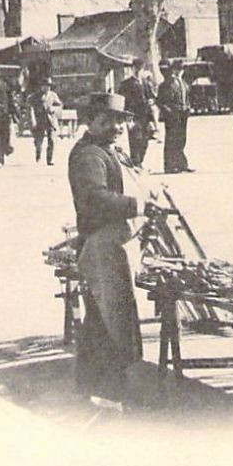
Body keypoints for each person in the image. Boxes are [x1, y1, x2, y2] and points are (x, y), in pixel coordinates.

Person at [68, 92, 153, 405]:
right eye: (108, 120)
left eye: (120, 120)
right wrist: (138, 205)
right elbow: (95, 199)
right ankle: (109, 389)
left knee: (103, 318)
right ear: (90, 121)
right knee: (109, 317)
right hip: (100, 243)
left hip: (111, 242)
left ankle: (96, 386)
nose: (117, 126)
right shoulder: (90, 155)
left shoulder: (106, 150)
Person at [156, 60, 194, 174]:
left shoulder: (183, 83)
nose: (178, 72)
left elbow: (186, 97)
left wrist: (188, 107)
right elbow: (160, 101)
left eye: (180, 69)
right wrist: (168, 111)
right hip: (172, 115)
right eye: (176, 70)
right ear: (172, 70)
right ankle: (169, 166)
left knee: (181, 139)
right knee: (171, 140)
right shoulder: (167, 84)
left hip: (183, 114)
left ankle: (181, 164)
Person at [119, 64, 156, 169]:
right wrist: (126, 117)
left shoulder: (146, 83)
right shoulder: (126, 84)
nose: (138, 71)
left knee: (145, 140)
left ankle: (140, 161)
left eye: (140, 69)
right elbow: (122, 101)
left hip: (145, 116)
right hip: (133, 116)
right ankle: (136, 163)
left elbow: (152, 98)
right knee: (136, 139)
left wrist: (151, 101)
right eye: (136, 69)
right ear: (132, 69)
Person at [30, 80, 61, 166]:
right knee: (39, 140)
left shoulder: (53, 95)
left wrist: (54, 109)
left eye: (48, 86)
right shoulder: (35, 96)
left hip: (51, 120)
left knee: (52, 140)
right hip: (39, 120)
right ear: (41, 86)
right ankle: (38, 154)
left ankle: (49, 159)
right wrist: (33, 119)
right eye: (44, 86)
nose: (46, 88)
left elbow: (59, 105)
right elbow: (31, 108)